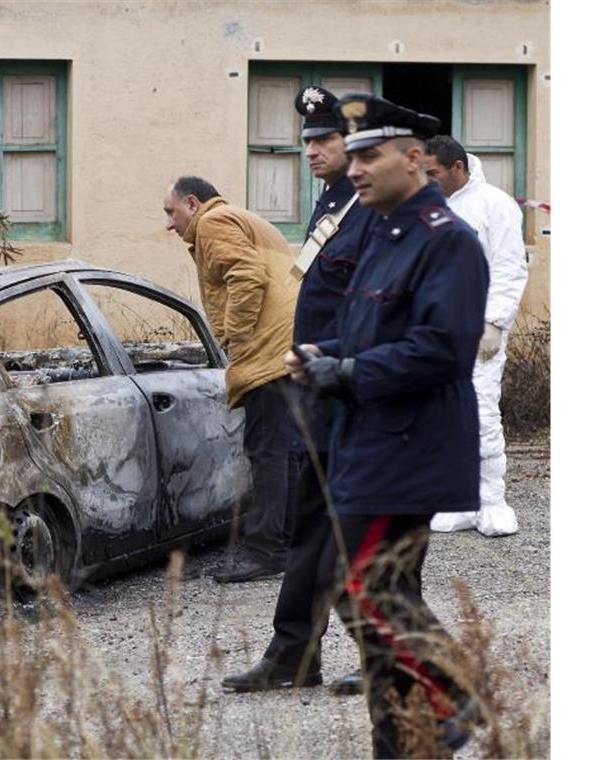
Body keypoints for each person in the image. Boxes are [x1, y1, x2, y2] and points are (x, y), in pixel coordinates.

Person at [287, 94, 487, 756]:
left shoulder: (446, 241)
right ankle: (405, 738)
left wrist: (348, 373)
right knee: (376, 605)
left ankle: (458, 692)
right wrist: (328, 355)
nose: (354, 169)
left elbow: (441, 347)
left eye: (370, 155)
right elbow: (363, 327)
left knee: (362, 589)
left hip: (408, 447)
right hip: (366, 439)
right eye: (356, 156)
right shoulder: (384, 232)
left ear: (415, 158)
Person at [221, 86, 376, 693]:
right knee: (313, 528)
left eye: (324, 140)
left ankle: (386, 654)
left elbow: (370, 309)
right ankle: (293, 654)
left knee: (365, 533)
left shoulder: (368, 210)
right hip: (317, 392)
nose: (311, 150)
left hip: (353, 393)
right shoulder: (332, 202)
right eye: (307, 140)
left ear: (353, 143)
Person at [163, 176, 298, 583]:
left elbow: (247, 275)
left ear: (192, 202)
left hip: (268, 351)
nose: (169, 224)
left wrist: (234, 336)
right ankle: (286, 543)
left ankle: (265, 550)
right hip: (290, 345)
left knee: (266, 451)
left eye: (171, 212)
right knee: (286, 451)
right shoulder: (240, 217)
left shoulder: (213, 222)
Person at [424, 136, 528, 537]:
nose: (427, 180)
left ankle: (492, 501)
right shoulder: (430, 208)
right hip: (437, 332)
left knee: (481, 412)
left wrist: (494, 324)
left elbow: (508, 268)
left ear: (458, 168)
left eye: (433, 173)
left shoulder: (495, 205)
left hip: (478, 331)